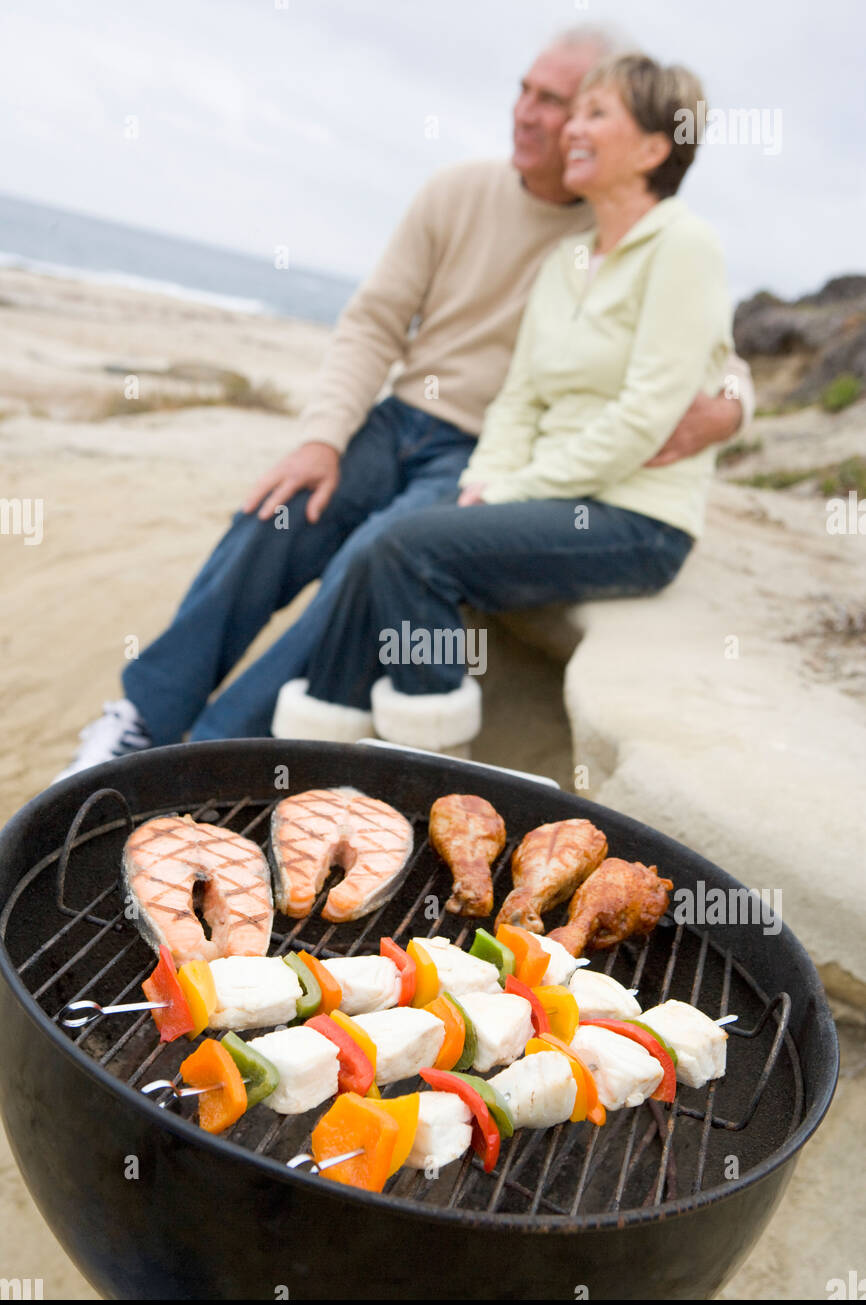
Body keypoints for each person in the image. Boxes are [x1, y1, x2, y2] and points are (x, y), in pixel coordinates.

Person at [54, 28, 751, 778]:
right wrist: (323, 437)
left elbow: (709, 352)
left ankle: (216, 752)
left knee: (373, 558)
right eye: (527, 91)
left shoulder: (619, 225)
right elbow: (376, 319)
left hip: (477, 453)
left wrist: (735, 405)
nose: (533, 114)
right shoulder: (465, 196)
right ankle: (143, 717)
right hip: (402, 423)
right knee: (277, 515)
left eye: (563, 104)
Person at [243, 50, 737, 752]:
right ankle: (308, 764)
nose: (572, 129)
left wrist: (516, 490)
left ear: (655, 147)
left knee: (407, 551)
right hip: (548, 496)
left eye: (597, 114)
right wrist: (483, 484)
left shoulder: (685, 246)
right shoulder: (569, 261)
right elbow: (519, 399)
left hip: (639, 520)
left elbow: (646, 414)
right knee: (384, 549)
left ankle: (439, 775)